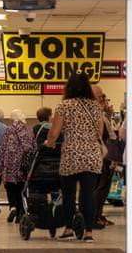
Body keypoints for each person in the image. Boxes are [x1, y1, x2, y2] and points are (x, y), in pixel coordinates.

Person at [44, 70, 103, 243]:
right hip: (92, 155)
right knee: (87, 194)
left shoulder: (64, 106)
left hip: (71, 155)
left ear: (69, 86)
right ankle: (89, 233)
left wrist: (50, 142)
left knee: (69, 194)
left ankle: (69, 229)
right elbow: (99, 132)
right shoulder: (95, 106)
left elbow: (54, 133)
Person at [0, 109, 36, 223]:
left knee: (10, 187)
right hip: (24, 165)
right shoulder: (29, 130)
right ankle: (21, 211)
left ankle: (13, 207)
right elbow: (34, 147)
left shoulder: (9, 130)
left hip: (10, 164)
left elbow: (2, 148)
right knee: (21, 187)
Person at [92, 89, 118, 228]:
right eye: (102, 98)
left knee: (103, 187)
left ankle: (98, 214)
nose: (105, 102)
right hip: (103, 155)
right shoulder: (96, 115)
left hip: (106, 154)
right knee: (100, 187)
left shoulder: (103, 116)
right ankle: (94, 216)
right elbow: (106, 135)